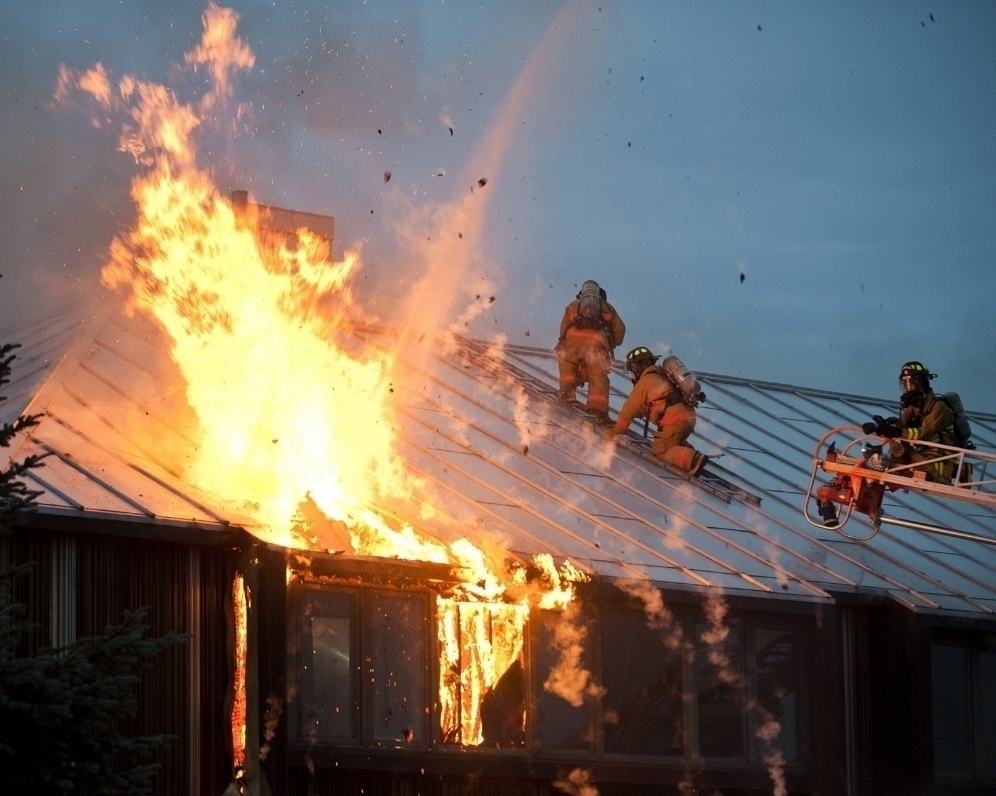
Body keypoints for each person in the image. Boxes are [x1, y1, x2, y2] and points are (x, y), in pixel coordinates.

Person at [605, 346, 708, 476]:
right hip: (687, 417)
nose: (634, 373)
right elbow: (655, 404)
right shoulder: (662, 376)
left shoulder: (646, 381)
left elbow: (629, 410)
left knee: (660, 450)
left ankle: (693, 459)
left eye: (633, 369)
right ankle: (685, 452)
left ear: (639, 366)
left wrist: (615, 431)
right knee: (671, 440)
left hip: (674, 419)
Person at [862, 361, 956, 482]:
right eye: (905, 384)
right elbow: (902, 424)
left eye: (911, 384)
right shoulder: (913, 407)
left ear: (922, 384)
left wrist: (897, 431)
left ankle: (963, 470)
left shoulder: (939, 408)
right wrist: (883, 426)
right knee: (895, 459)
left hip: (939, 459)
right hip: (922, 454)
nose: (908, 389)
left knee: (914, 469)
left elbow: (923, 432)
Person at [555, 280, 625, 425]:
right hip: (597, 342)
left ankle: (568, 394)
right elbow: (620, 330)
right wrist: (611, 343)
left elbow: (563, 329)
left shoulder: (574, 304)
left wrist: (565, 343)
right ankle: (597, 410)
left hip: (573, 339)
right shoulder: (608, 308)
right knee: (598, 376)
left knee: (567, 363)